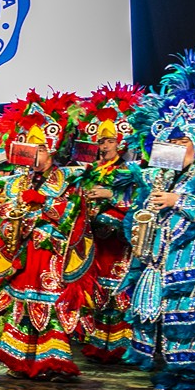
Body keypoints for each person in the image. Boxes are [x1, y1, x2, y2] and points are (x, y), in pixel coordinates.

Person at [122, 47, 195, 390]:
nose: (174, 147)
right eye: (170, 141)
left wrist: (178, 200)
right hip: (168, 263)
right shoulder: (164, 176)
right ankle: (180, 373)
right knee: (173, 321)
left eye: (182, 141)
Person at [0, 91, 94, 381]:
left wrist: (42, 203)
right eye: (30, 147)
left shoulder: (68, 178)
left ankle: (52, 361)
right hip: (21, 253)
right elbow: (0, 212)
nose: (34, 154)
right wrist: (7, 217)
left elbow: (74, 215)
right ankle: (20, 360)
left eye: (40, 148)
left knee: (50, 303)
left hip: (51, 253)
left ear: (51, 149)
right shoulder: (16, 181)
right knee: (22, 303)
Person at [76, 84, 142, 363]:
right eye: (101, 142)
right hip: (95, 240)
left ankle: (123, 345)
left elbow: (140, 200)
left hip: (118, 239)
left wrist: (111, 194)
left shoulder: (129, 169)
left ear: (120, 143)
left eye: (110, 141)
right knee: (97, 291)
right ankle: (99, 342)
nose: (104, 146)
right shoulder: (89, 170)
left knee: (118, 289)